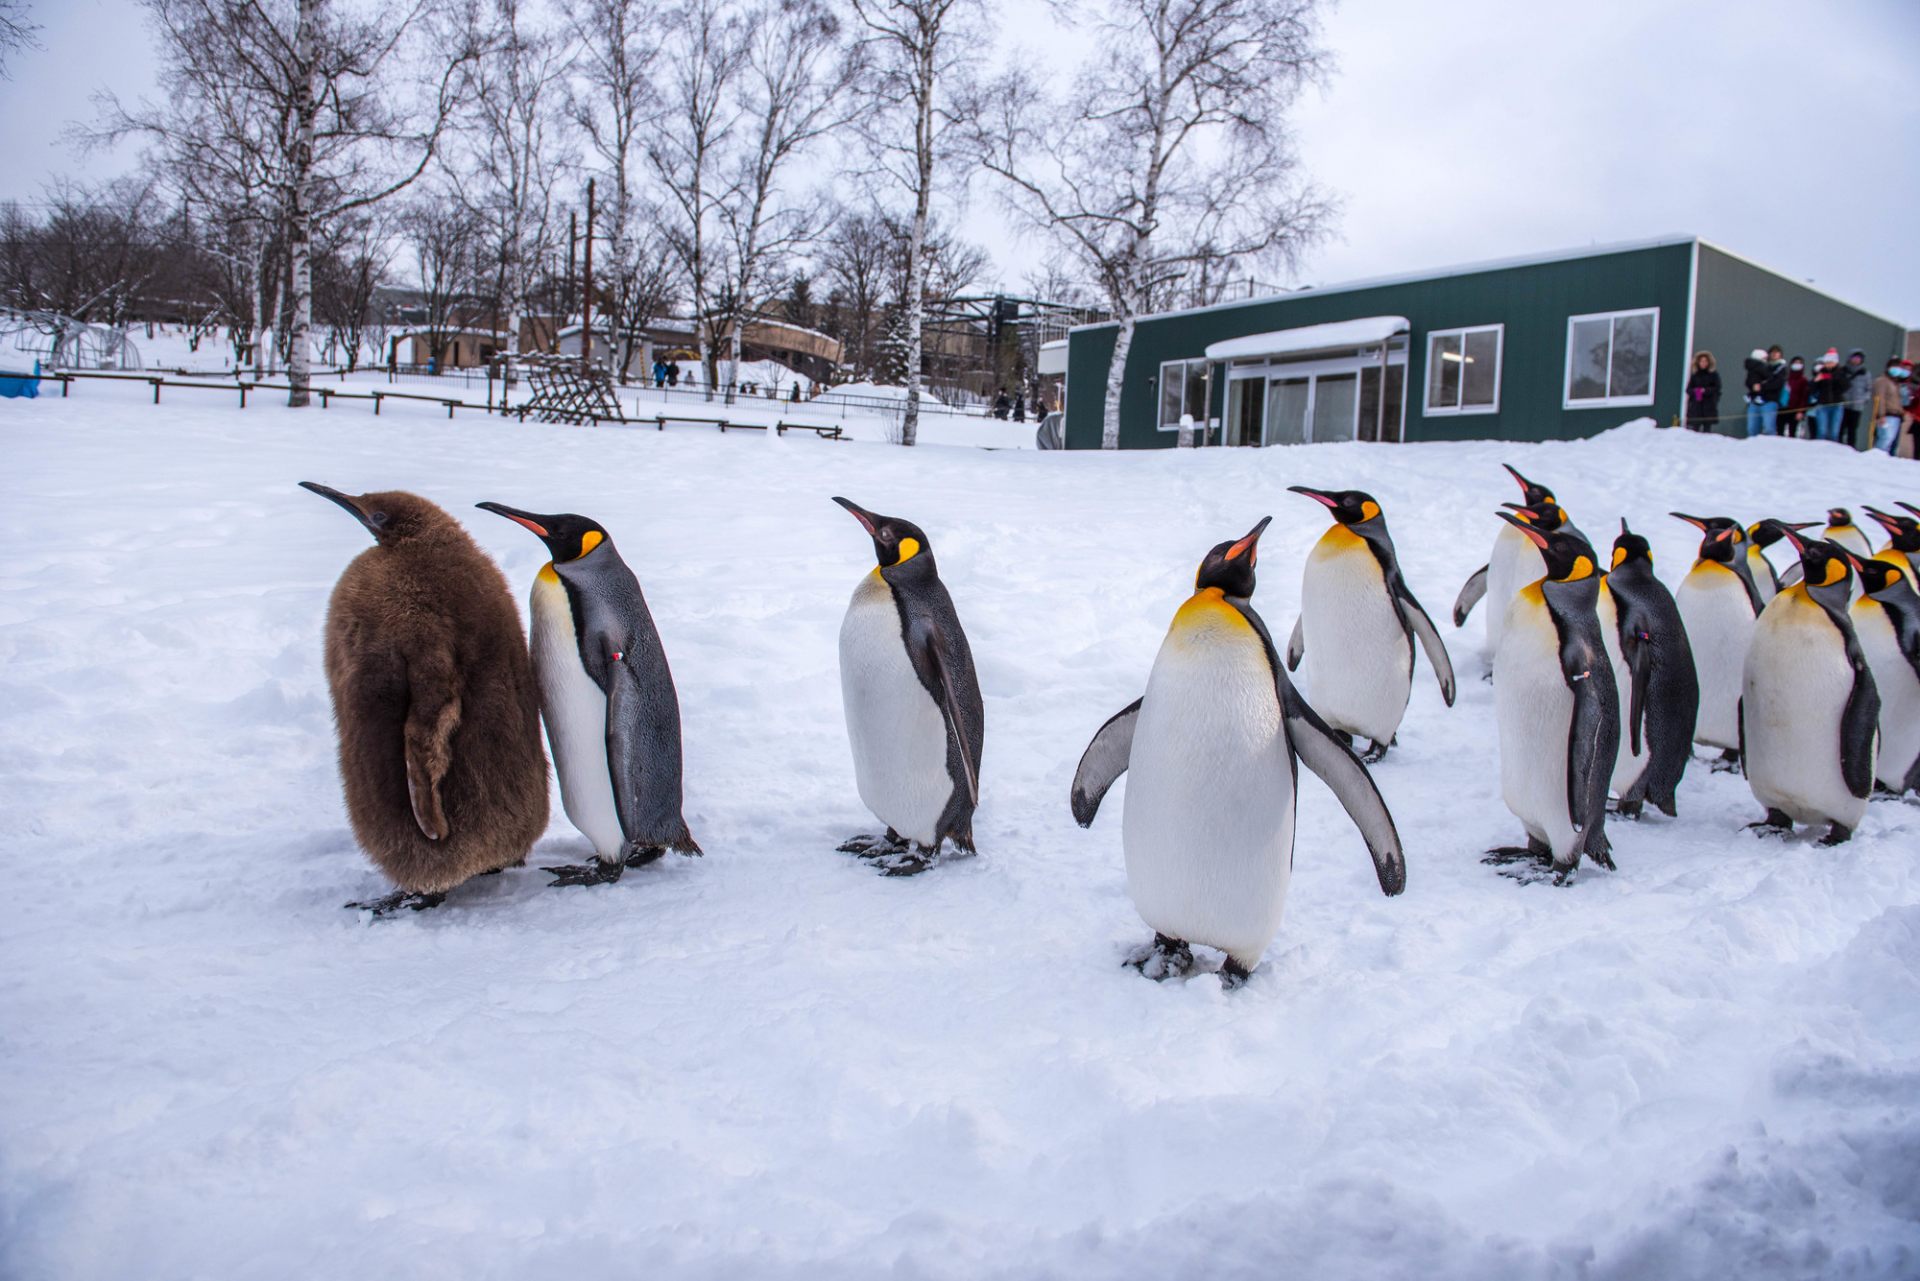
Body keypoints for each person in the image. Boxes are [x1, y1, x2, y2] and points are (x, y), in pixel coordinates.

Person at [1807, 349, 1845, 443]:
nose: (1829, 364)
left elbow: (1845, 385)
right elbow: (1811, 389)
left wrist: (1830, 377)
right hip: (1823, 405)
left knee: (1834, 433)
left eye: (1831, 362)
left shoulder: (1841, 372)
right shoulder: (1821, 373)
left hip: (1837, 405)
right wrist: (1816, 381)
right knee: (1822, 432)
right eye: (1827, 362)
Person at [1872, 358, 1906, 454]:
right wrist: (1881, 415)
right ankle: (1876, 458)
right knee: (1885, 439)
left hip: (1896, 415)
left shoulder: (1896, 383)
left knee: (1889, 441)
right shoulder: (1882, 381)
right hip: (1887, 415)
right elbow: (1880, 398)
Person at [1744, 347, 1780, 436]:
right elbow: (1771, 379)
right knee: (1767, 428)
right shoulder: (1763, 368)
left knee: (1753, 429)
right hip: (1759, 400)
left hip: (1761, 399)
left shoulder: (1750, 369)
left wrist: (1760, 386)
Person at [1841, 348, 1871, 448]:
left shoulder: (1865, 373)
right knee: (1841, 427)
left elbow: (1868, 389)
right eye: (1854, 357)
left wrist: (1864, 399)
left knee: (1852, 429)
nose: (1856, 360)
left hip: (1857, 406)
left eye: (1859, 358)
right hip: (1843, 405)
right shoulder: (1843, 371)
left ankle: (1851, 448)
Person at [1684, 351, 1721, 432]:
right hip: (1696, 407)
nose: (1703, 363)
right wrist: (1695, 391)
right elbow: (1688, 389)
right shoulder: (1695, 375)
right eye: (1701, 361)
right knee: (1695, 429)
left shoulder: (1713, 375)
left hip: (1709, 406)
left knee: (1707, 429)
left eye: (1705, 361)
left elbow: (1717, 388)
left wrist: (1706, 391)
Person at [1781, 355, 1810, 438]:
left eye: (1799, 363)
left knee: (1792, 432)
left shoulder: (1803, 380)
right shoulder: (1786, 378)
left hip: (1795, 409)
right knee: (1780, 431)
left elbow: (1804, 397)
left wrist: (1801, 411)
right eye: (1795, 363)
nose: (1797, 365)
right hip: (1783, 408)